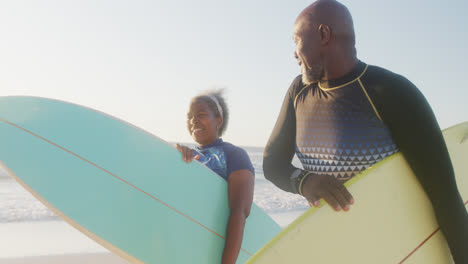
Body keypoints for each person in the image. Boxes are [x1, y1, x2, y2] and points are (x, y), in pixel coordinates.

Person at [262, 0, 468, 262]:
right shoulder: (298, 92)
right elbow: (272, 163)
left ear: (324, 35)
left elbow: (445, 195)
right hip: (330, 248)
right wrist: (305, 181)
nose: (294, 53)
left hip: (394, 249)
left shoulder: (391, 92)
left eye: (297, 41)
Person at [176, 90, 255, 264]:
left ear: (218, 120)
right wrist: (175, 160)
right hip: (188, 247)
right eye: (190, 116)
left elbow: (240, 212)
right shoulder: (185, 156)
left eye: (201, 115)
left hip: (220, 251)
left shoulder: (234, 154)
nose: (193, 120)